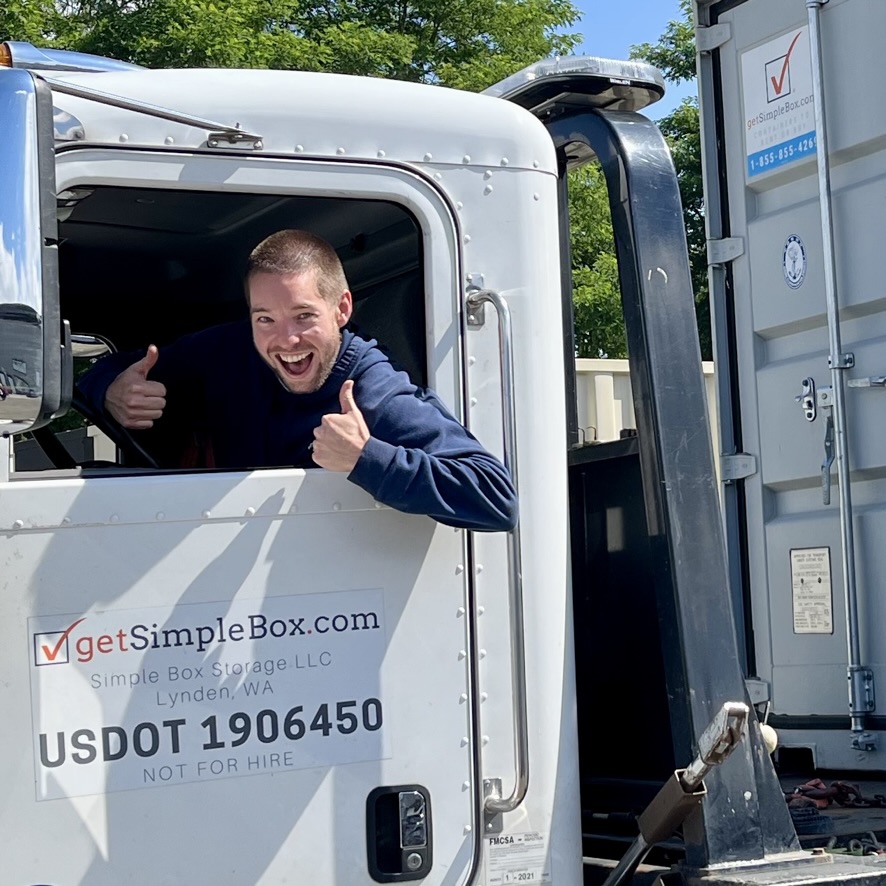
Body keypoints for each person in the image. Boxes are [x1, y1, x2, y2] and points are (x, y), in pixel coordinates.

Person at [79, 229, 517, 532]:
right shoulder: (229, 350)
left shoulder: (371, 389)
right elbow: (104, 374)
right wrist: (111, 390)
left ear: (341, 310)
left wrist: (366, 457)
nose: (285, 339)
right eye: (264, 318)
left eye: (304, 316)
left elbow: (497, 499)